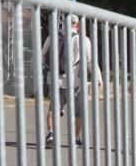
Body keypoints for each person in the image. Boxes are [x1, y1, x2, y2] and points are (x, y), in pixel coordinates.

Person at [41, 14, 101, 147]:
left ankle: (51, 134)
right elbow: (90, 60)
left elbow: (43, 55)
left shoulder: (52, 37)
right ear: (77, 25)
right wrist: (97, 77)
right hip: (75, 82)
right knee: (78, 112)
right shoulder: (83, 39)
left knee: (53, 108)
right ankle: (75, 139)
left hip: (56, 80)